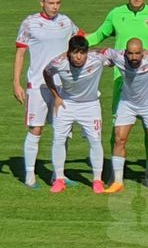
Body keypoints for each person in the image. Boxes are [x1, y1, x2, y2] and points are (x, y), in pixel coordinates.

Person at [87, 0, 148, 184]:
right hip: (121, 82)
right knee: (118, 130)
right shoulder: (116, 14)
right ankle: (115, 173)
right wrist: (76, 40)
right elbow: (98, 36)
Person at [12, 0, 83, 190]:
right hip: (38, 86)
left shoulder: (66, 22)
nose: (55, 7)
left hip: (63, 86)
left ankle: (58, 175)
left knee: (63, 130)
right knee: (36, 129)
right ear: (41, 2)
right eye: (51, 3)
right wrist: (16, 83)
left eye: (58, 3)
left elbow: (82, 40)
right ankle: (30, 175)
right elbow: (20, 53)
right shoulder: (30, 23)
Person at [41, 36, 111, 194]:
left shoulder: (98, 58)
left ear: (87, 52)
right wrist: (56, 96)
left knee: (95, 140)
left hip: (90, 105)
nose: (79, 57)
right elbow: (46, 73)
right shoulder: (58, 62)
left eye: (82, 53)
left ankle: (97, 180)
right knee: (59, 139)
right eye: (75, 53)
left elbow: (116, 56)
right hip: (66, 104)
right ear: (68, 53)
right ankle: (59, 179)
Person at [104, 38, 148, 195]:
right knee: (119, 139)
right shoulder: (118, 57)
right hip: (127, 104)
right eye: (131, 53)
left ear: (143, 52)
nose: (134, 57)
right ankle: (118, 181)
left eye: (137, 53)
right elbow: (101, 52)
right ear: (125, 52)